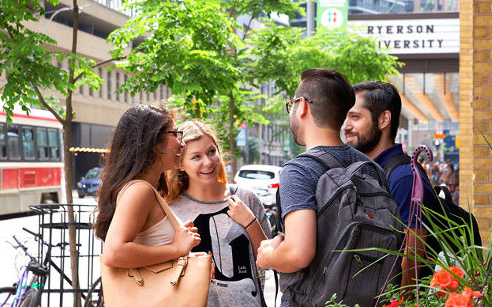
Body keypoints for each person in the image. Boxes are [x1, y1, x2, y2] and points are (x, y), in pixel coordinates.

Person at [255, 68, 386, 307]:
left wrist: (268, 256)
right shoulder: (372, 169)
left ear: (302, 105)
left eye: (291, 104)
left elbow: (298, 253)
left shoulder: (300, 170)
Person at [342, 81, 440, 287]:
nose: (346, 126)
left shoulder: (404, 176)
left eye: (355, 117)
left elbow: (412, 260)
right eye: (345, 117)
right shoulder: (367, 170)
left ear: (384, 119)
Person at [164, 120, 271, 307]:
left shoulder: (245, 198)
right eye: (196, 157)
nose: (208, 162)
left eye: (211, 151)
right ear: (180, 164)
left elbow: (268, 261)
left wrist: (250, 222)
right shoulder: (172, 210)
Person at [93, 104, 202, 275]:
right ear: (154, 142)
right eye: (175, 134)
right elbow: (114, 254)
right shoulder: (140, 190)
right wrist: (175, 249)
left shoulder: (143, 188)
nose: (182, 144)